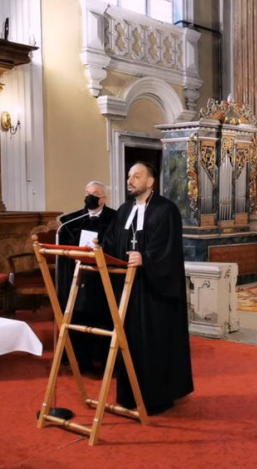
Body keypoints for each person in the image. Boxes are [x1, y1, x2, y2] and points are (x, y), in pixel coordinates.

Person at [103, 162, 193, 415]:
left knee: (153, 342)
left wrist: (146, 258)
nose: (130, 180)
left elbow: (169, 249)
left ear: (150, 182)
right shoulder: (124, 210)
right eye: (129, 176)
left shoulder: (166, 210)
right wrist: (97, 248)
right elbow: (112, 241)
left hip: (155, 291)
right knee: (130, 341)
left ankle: (157, 398)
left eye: (136, 176)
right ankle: (129, 395)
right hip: (128, 289)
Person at [55, 181, 117, 375]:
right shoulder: (72, 221)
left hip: (104, 280)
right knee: (79, 317)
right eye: (87, 193)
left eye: (95, 193)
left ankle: (105, 362)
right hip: (80, 278)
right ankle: (83, 362)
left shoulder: (116, 219)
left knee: (103, 319)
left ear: (104, 198)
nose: (90, 197)